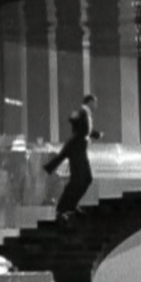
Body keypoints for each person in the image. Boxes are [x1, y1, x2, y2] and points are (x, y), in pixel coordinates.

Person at [44, 94, 103, 223]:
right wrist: (74, 117)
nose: (96, 106)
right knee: (78, 180)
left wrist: (97, 134)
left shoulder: (87, 115)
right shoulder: (82, 112)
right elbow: (74, 119)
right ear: (89, 102)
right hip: (76, 150)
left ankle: (71, 205)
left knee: (86, 178)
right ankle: (61, 209)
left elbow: (86, 130)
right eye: (95, 103)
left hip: (80, 149)